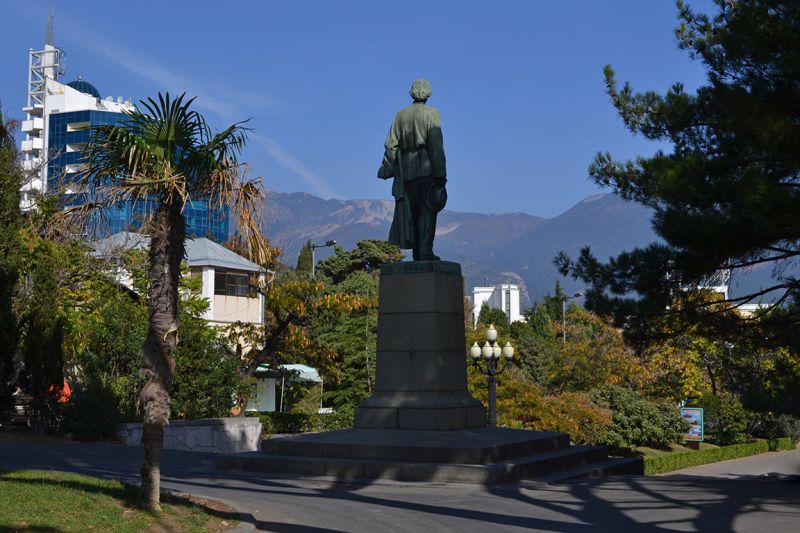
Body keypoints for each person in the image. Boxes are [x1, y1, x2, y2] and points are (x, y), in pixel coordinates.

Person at [378, 79, 447, 261]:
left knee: (412, 212)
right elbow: (436, 145)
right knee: (427, 210)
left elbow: (391, 145)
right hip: (426, 169)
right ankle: (424, 251)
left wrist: (387, 168)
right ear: (428, 93)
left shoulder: (400, 116)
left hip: (406, 173)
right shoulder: (432, 113)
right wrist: (441, 175)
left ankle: (418, 252)